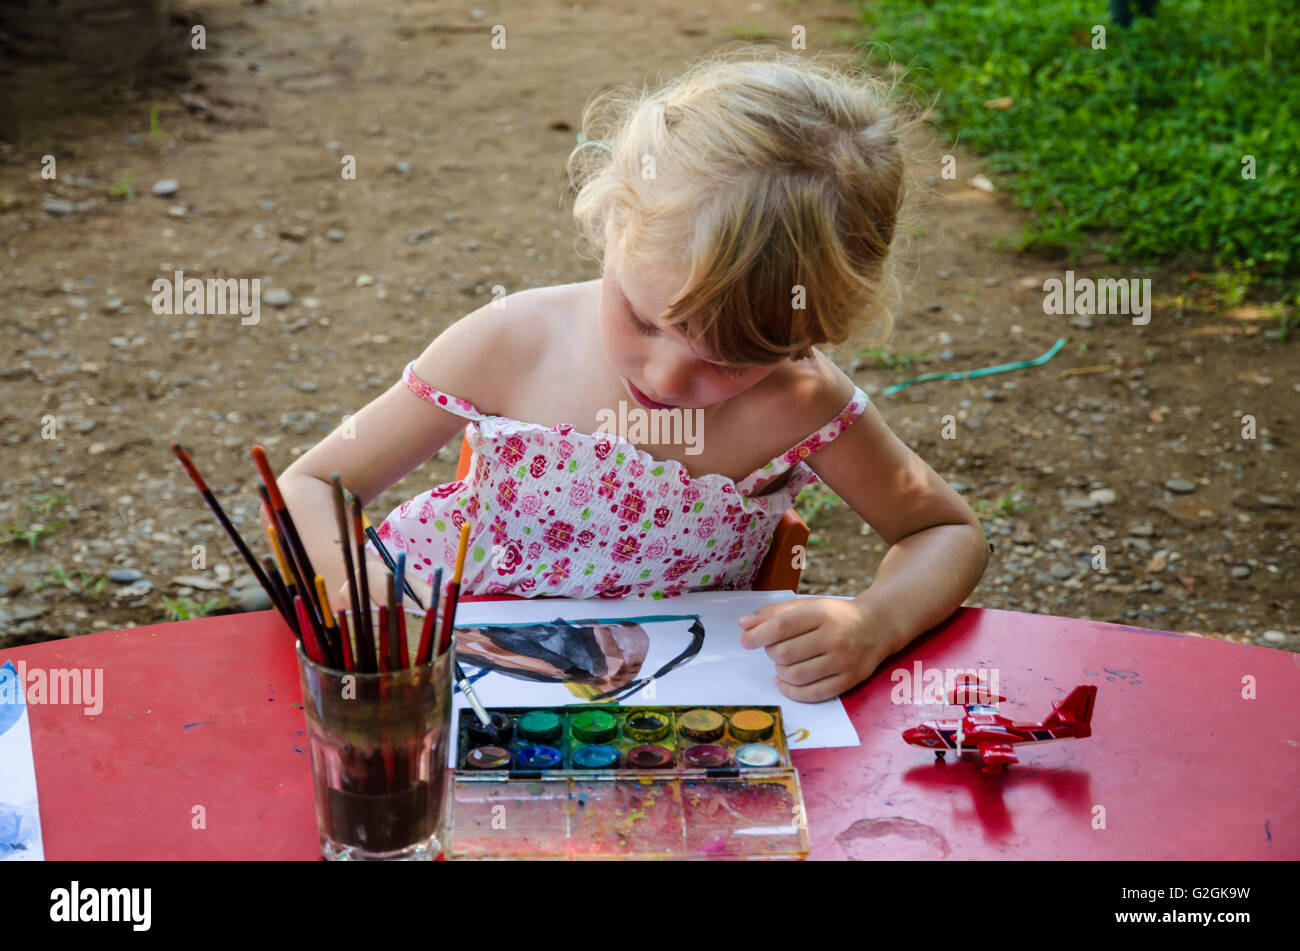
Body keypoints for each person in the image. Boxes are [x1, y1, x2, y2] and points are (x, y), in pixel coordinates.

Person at [275, 49, 989, 701]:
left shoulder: (803, 401)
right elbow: (310, 484)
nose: (669, 376)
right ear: (614, 219)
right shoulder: (513, 340)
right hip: (431, 667)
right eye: (647, 320)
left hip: (655, 703)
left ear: (813, 332)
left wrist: (874, 620)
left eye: (732, 360)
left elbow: (947, 532)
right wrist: (354, 585)